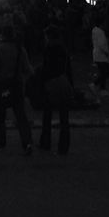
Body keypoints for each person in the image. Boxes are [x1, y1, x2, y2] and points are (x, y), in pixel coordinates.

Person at [0, 26, 34, 155]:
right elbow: (27, 69)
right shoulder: (20, 50)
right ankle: (27, 142)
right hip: (17, 86)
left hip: (2, 86)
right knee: (21, 116)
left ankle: (0, 143)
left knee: (0, 116)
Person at [38, 26, 73, 154]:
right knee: (64, 118)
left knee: (47, 115)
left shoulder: (49, 49)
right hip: (62, 82)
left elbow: (47, 68)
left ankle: (45, 142)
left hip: (51, 83)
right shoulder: (63, 48)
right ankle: (63, 146)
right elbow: (68, 68)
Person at [91, 21, 109, 92]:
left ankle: (101, 88)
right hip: (101, 55)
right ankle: (96, 85)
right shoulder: (100, 32)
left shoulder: (95, 31)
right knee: (105, 73)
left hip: (97, 54)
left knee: (103, 72)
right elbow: (102, 44)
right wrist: (106, 52)